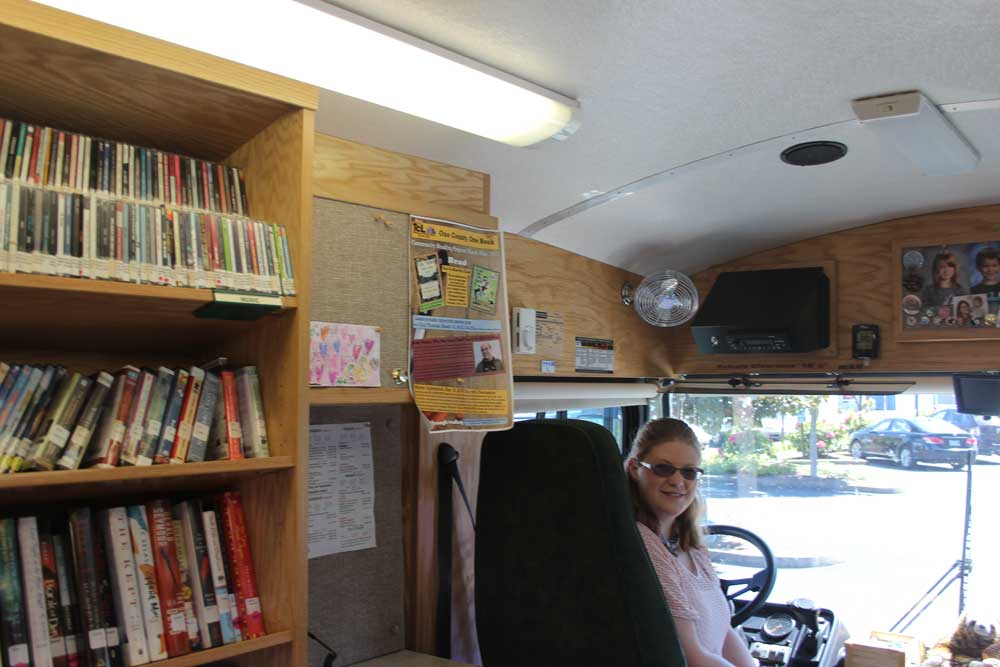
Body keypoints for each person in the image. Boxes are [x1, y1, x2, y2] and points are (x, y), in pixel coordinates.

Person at [625, 418, 755, 667]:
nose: (678, 481)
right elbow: (693, 658)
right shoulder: (643, 544)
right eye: (663, 468)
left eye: (689, 471)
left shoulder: (689, 542)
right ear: (634, 468)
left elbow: (725, 633)